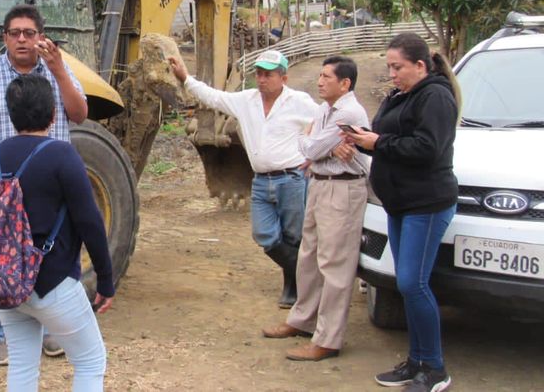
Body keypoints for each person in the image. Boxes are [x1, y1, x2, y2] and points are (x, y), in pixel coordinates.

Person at [0, 4, 88, 365]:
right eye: (15, 33)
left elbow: (79, 114)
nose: (22, 40)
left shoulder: (58, 70)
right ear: (5, 37)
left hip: (47, 185)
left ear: (41, 37)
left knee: (51, 251)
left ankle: (51, 329)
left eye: (29, 33)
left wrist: (59, 71)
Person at [0, 74, 114, 392]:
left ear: (11, 114)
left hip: (8, 284)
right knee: (90, 361)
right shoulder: (61, 155)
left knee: (22, 366)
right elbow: (90, 222)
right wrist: (105, 279)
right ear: (53, 115)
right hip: (54, 282)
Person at [344, 33, 459, 392]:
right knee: (406, 285)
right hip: (400, 203)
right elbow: (387, 139)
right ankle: (416, 360)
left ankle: (434, 368)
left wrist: (378, 142)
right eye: (390, 67)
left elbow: (427, 148)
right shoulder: (400, 95)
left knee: (413, 283)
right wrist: (364, 139)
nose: (392, 74)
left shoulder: (435, 96)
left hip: (425, 203)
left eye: (398, 67)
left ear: (420, 65)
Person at [169, 50, 317, 308]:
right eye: (258, 74)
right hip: (260, 180)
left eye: (268, 75)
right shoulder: (247, 100)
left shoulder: (299, 102)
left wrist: (315, 154)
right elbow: (214, 97)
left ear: (284, 78)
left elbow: (327, 121)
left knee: (294, 236)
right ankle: (309, 276)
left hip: (291, 178)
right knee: (264, 235)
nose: (261, 79)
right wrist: (185, 78)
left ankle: (292, 288)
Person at [261, 56, 370, 362]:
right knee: (309, 256)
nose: (319, 82)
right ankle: (303, 320)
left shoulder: (349, 113)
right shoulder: (325, 110)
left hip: (342, 188)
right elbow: (314, 150)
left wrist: (310, 141)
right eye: (320, 76)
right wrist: (322, 147)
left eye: (326, 77)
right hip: (320, 184)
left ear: (345, 83)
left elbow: (310, 148)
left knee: (335, 264)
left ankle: (328, 339)